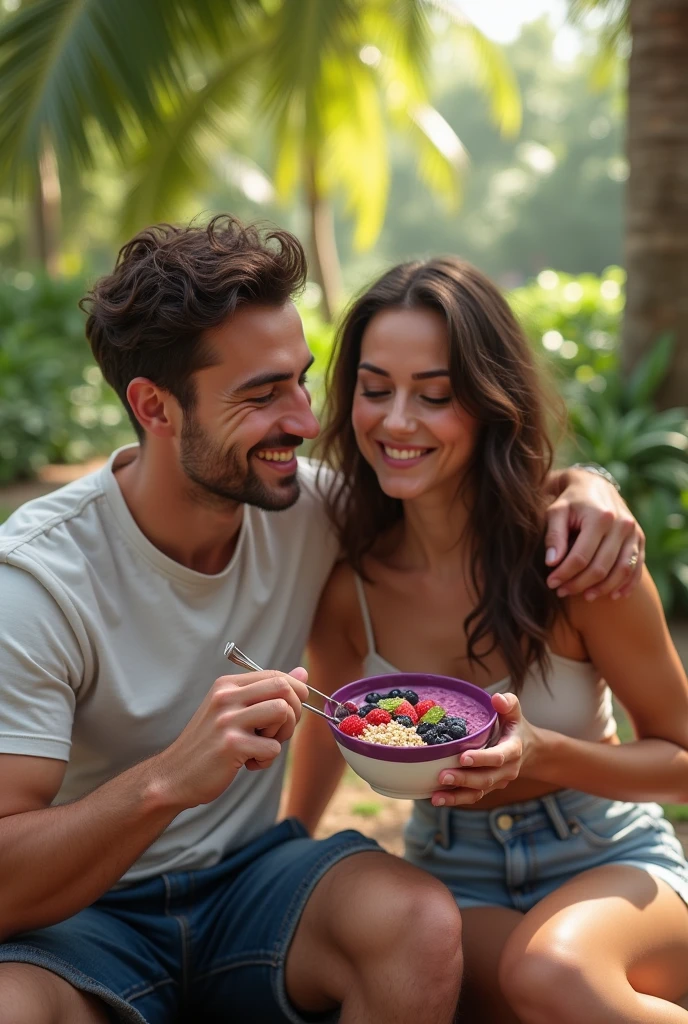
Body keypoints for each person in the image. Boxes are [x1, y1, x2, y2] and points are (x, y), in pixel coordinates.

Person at [0, 218, 644, 1024]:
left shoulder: (310, 508)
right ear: (154, 407)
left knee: (416, 923)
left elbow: (460, 494)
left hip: (251, 882)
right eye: (262, 395)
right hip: (83, 919)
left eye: (301, 381)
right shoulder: (35, 583)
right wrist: (165, 783)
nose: (305, 421)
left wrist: (586, 488)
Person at [286, 256, 688, 1024]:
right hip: (453, 868)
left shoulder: (577, 560)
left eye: (434, 396)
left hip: (606, 855)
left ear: (490, 404)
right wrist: (282, 849)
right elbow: (330, 728)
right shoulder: (352, 589)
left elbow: (681, 762)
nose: (396, 421)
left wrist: (546, 753)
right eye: (375, 390)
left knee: (555, 976)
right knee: (504, 986)